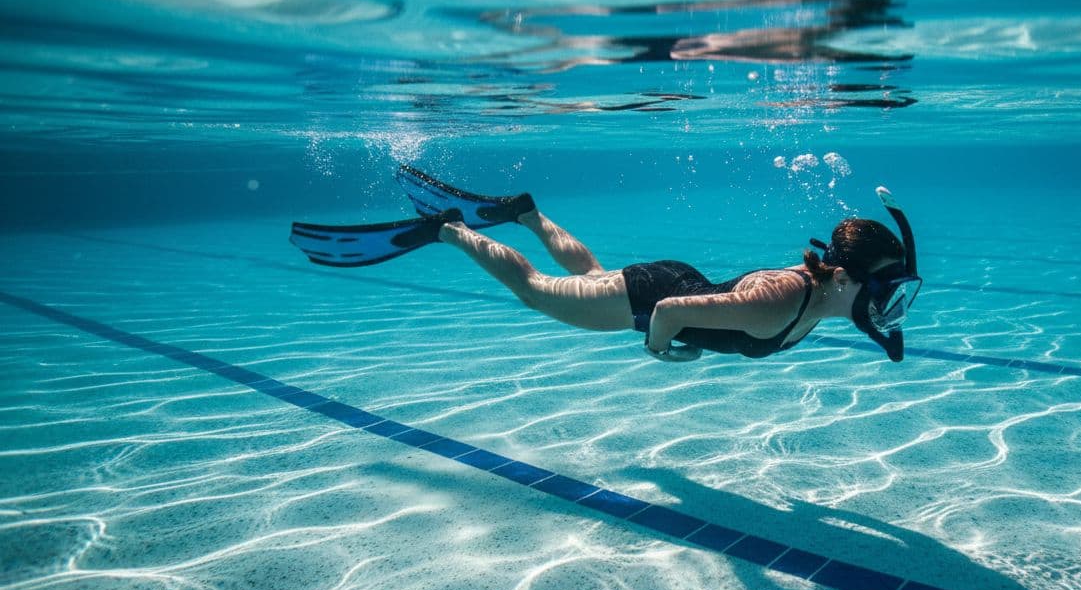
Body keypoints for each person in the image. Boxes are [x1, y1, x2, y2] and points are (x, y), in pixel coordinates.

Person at [290, 166, 921, 362]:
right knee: (535, 289)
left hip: (676, 278)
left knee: (590, 275)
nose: (890, 305)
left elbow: (875, 319)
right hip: (650, 299)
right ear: (844, 278)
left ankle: (527, 214)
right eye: (888, 290)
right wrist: (659, 349)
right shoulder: (779, 300)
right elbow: (669, 311)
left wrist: (883, 324)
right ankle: (449, 230)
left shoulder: (828, 292)